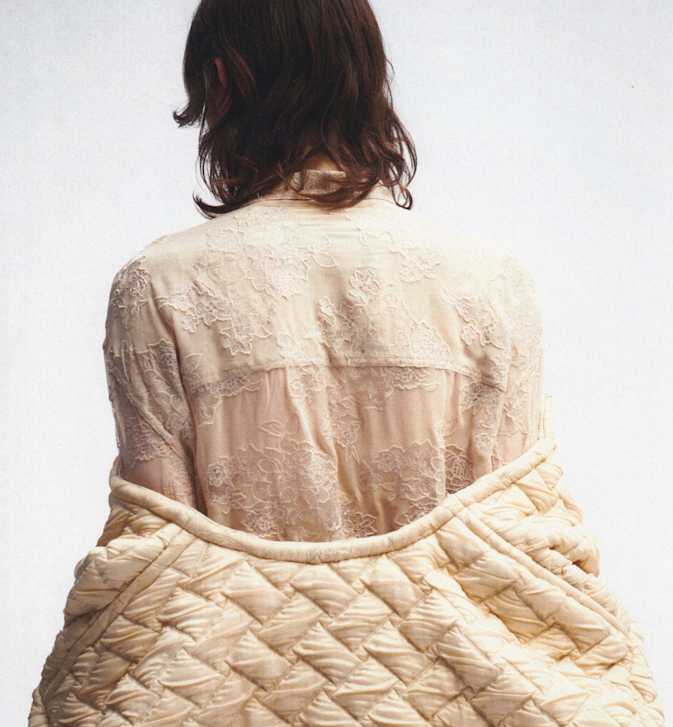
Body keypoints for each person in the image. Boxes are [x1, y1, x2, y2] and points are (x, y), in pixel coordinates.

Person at [102, 0, 544, 543]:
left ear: (220, 81)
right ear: (369, 81)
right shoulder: (497, 284)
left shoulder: (156, 288)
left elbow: (157, 561)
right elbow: (517, 554)